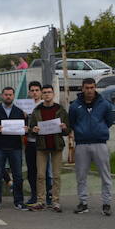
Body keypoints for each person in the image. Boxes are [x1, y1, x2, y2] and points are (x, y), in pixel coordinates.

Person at [69, 78, 114, 216]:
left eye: (92, 87)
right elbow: (72, 122)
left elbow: (109, 121)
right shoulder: (75, 105)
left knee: (105, 175)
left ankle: (106, 203)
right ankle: (83, 203)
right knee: (81, 176)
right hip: (82, 144)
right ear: (82, 88)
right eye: (87, 88)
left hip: (100, 143)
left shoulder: (105, 104)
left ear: (95, 88)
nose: (89, 90)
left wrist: (98, 130)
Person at [28, 84, 70, 212]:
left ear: (53, 94)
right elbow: (31, 129)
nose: (47, 94)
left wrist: (64, 128)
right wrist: (33, 130)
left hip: (56, 145)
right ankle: (41, 200)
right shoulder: (37, 110)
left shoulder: (60, 109)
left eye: (49, 92)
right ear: (41, 94)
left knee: (56, 175)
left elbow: (67, 129)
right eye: (44, 92)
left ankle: (55, 201)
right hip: (42, 146)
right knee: (40, 175)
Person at [0, 86, 27, 211]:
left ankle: (19, 201)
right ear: (2, 96)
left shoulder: (20, 112)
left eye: (10, 94)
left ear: (13, 96)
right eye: (6, 94)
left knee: (18, 175)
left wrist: (25, 129)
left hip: (15, 147)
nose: (8, 96)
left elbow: (25, 129)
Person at [24, 81, 52, 208]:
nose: (34, 93)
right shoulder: (24, 106)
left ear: (40, 92)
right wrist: (24, 117)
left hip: (43, 143)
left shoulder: (45, 105)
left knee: (44, 171)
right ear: (29, 92)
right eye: (32, 90)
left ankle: (47, 195)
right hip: (30, 142)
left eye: (37, 90)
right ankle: (34, 195)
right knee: (31, 171)